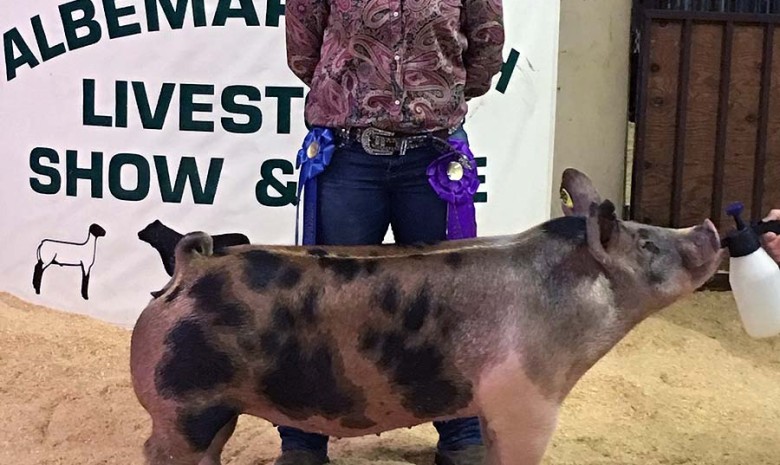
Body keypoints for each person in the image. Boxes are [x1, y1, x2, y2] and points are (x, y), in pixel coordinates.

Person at [280, 1, 505, 465]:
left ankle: (461, 433)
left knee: (449, 298)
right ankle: (304, 441)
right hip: (346, 154)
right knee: (323, 298)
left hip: (434, 154)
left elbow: (486, 45)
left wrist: (433, 97)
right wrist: (355, 95)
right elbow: (302, 49)